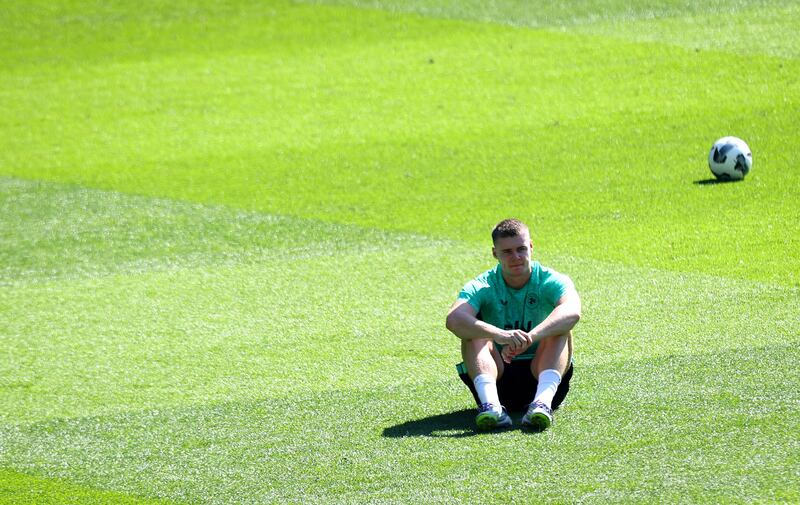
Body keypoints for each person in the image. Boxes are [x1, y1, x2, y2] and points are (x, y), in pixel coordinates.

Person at [445, 218, 581, 432]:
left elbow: (572, 312)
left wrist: (531, 337)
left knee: (560, 329)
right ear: (495, 253)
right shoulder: (483, 284)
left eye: (521, 249)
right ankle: (492, 408)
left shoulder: (551, 279)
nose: (516, 257)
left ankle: (541, 404)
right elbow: (454, 319)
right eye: (507, 251)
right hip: (497, 382)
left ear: (531, 247)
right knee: (473, 332)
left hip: (545, 379)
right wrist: (500, 335)